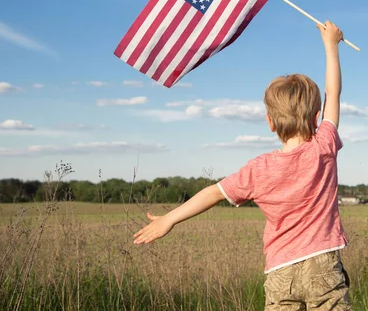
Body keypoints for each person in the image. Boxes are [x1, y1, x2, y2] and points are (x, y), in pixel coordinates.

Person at [133, 21, 351, 310]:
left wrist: (169, 219)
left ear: (270, 123)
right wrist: (331, 46)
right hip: (323, 266)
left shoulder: (258, 170)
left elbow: (212, 193)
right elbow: (332, 93)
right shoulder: (323, 147)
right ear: (316, 118)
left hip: (280, 270)